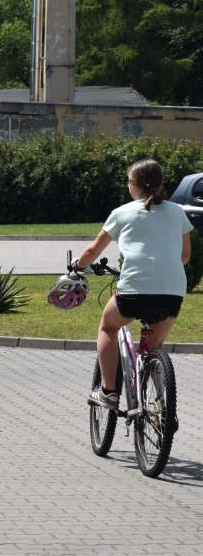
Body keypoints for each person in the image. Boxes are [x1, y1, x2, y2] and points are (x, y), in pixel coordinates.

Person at [72, 158, 192, 410]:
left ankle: (108, 392)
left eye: (129, 181)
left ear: (134, 184)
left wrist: (78, 267)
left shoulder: (121, 213)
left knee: (107, 327)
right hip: (172, 292)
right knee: (155, 345)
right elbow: (185, 255)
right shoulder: (177, 212)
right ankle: (162, 408)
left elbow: (93, 251)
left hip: (133, 291)